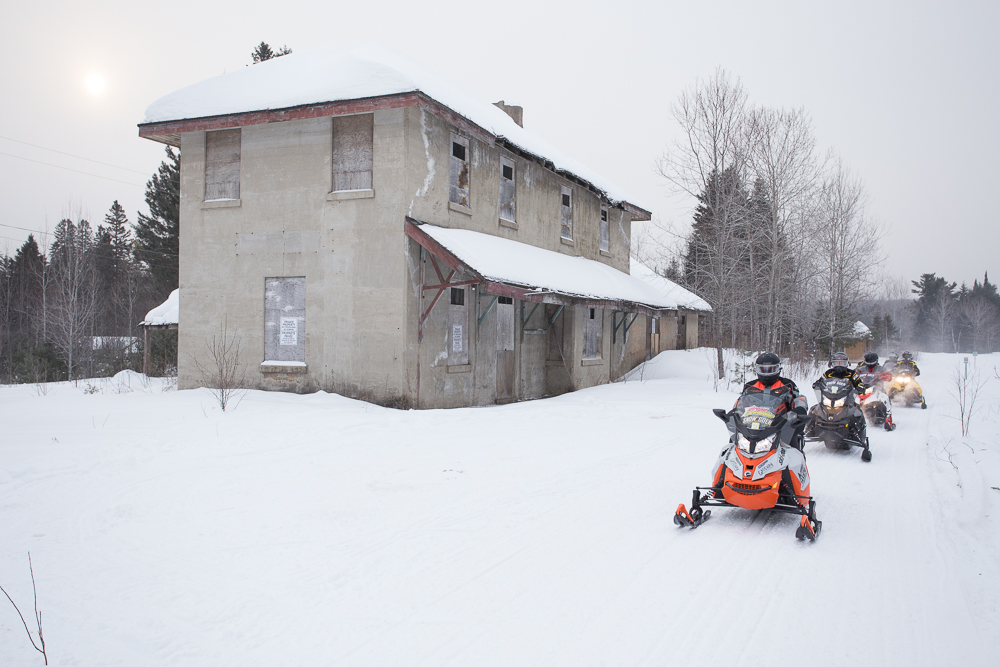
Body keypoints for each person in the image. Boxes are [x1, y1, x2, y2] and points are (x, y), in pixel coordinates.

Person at [735, 352, 809, 449]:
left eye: (771, 369)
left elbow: (799, 398)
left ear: (778, 369)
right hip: (752, 426)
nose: (767, 373)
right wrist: (734, 412)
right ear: (757, 369)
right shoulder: (749, 386)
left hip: (781, 427)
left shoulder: (787, 385)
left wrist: (799, 409)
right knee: (734, 445)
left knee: (794, 449)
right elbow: (740, 402)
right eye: (763, 369)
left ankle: (800, 463)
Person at [812, 351, 867, 441]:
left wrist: (860, 388)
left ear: (846, 363)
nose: (839, 365)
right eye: (837, 362)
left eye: (841, 363)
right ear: (833, 363)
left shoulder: (851, 374)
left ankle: (859, 433)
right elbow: (820, 381)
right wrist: (817, 385)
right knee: (815, 409)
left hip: (847, 399)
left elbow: (858, 382)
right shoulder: (828, 373)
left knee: (857, 411)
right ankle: (810, 428)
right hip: (829, 397)